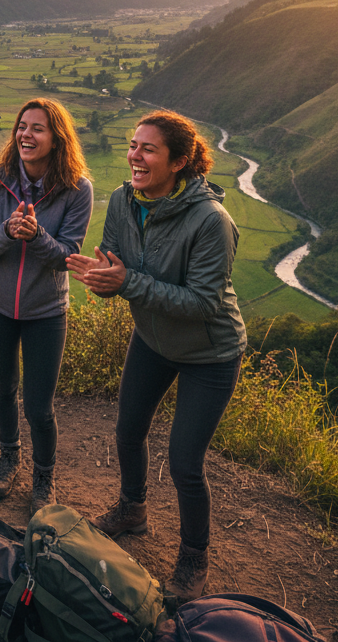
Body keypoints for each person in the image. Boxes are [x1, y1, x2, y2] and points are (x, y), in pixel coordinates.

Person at [66, 110, 246, 604]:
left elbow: (203, 302)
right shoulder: (125, 201)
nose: (134, 156)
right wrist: (103, 279)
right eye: (132, 145)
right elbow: (115, 269)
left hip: (209, 353)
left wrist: (127, 283)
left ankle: (194, 555)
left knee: (186, 462)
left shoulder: (211, 221)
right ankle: (132, 510)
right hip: (152, 339)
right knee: (128, 430)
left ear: (180, 161)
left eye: (148, 149)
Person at [0, 98, 93, 513]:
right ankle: (9, 456)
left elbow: (68, 256)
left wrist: (36, 235)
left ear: (57, 137)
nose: (26, 134)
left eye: (37, 128)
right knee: (3, 388)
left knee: (39, 406)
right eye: (22, 126)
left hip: (46, 311)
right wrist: (8, 230)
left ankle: (44, 474)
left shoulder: (78, 189)